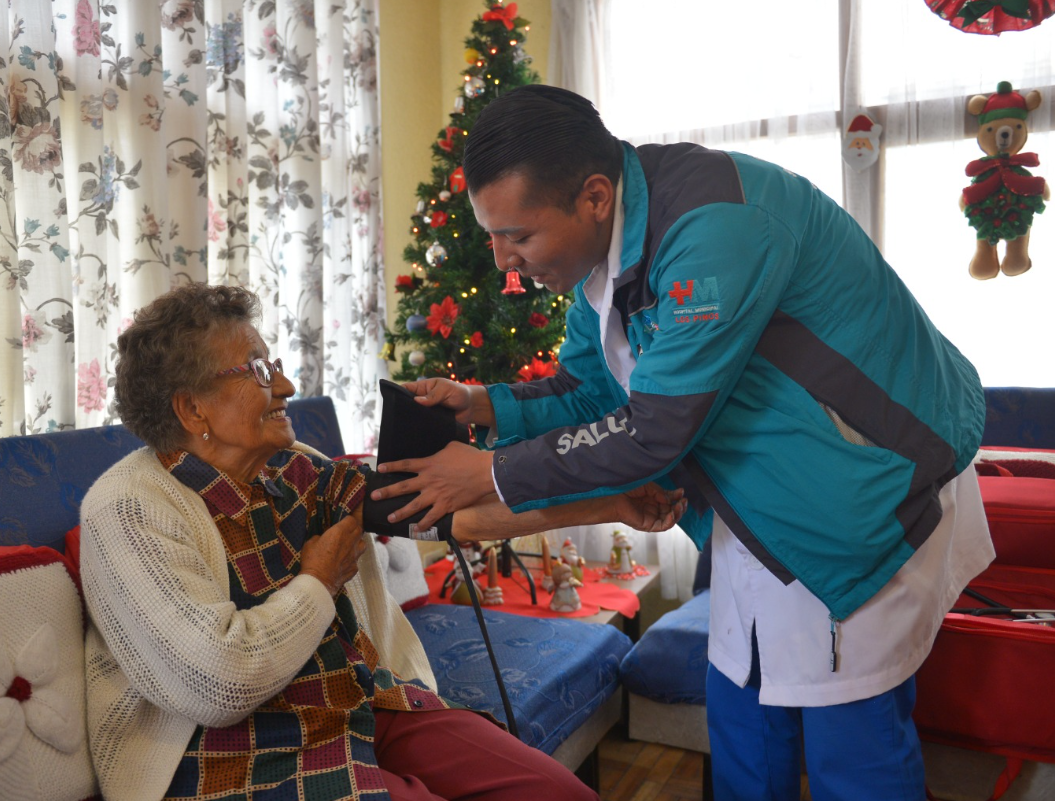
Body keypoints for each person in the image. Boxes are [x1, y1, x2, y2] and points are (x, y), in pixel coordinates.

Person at [368, 85, 997, 801]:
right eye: (491, 235)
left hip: (860, 500)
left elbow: (654, 430)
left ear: (594, 197)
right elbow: (587, 392)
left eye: (517, 236)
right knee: (743, 729)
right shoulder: (600, 261)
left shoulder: (715, 230)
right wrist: (483, 403)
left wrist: (488, 472)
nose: (503, 259)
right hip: (759, 511)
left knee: (851, 757)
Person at [78, 282, 685, 801]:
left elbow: (449, 513)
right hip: (232, 756)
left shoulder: (293, 466)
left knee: (557, 793)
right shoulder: (128, 510)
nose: (285, 384)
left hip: (358, 705)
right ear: (192, 409)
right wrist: (319, 583)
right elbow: (218, 683)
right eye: (258, 370)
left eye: (274, 363)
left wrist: (608, 504)